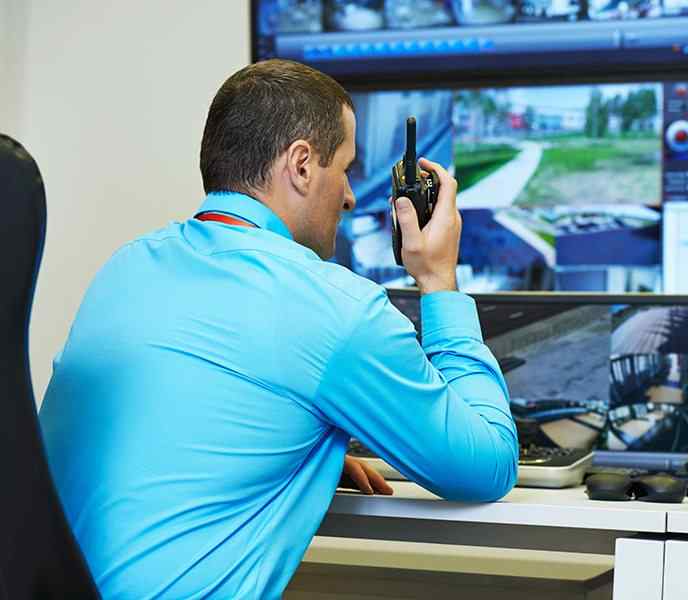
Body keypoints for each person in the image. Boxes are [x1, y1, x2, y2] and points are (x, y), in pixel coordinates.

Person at [39, 59, 518, 599]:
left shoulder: (125, 268)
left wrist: (299, 443)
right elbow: (489, 464)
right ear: (302, 165)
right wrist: (438, 279)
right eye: (346, 169)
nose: (350, 196)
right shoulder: (336, 308)